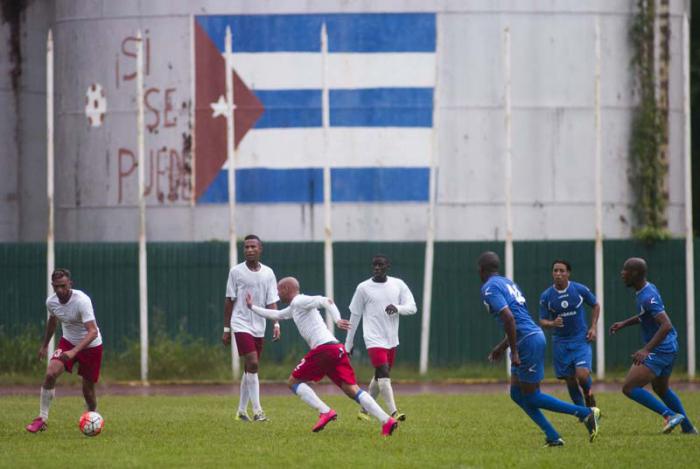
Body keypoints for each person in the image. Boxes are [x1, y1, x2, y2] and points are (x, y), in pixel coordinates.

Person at [245, 277, 399, 436]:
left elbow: (326, 301)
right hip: (335, 348)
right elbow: (276, 314)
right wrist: (252, 307)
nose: (277, 294)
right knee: (352, 389)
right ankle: (387, 421)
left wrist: (337, 319)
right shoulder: (295, 307)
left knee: (293, 382)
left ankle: (325, 411)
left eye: (279, 290)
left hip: (323, 349)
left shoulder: (300, 301)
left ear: (286, 289)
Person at [477, 251, 600, 447]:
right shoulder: (507, 283)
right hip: (529, 337)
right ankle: (552, 436)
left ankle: (586, 413)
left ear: (480, 269)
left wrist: (514, 351)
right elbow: (518, 318)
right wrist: (502, 347)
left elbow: (510, 318)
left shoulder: (489, 287)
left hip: (526, 341)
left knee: (533, 395)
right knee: (517, 394)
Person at [610, 257, 697, 434]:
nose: (622, 273)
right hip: (669, 346)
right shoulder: (647, 289)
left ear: (635, 273)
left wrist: (646, 350)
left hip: (661, 349)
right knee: (661, 388)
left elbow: (666, 325)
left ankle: (669, 415)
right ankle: (687, 427)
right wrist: (624, 323)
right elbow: (646, 315)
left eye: (625, 270)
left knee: (629, 388)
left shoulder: (647, 296)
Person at [26, 268, 103, 433]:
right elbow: (52, 322)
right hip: (67, 343)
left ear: (70, 284)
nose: (59, 290)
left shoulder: (82, 300)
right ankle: (42, 418)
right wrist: (45, 345)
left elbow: (93, 331)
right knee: (50, 373)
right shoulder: (51, 302)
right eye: (56, 286)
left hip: (91, 345)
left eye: (62, 285)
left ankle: (93, 418)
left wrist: (74, 352)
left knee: (88, 391)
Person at [345, 254, 416, 422]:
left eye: (380, 265)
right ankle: (394, 412)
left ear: (387, 267)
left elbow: (412, 307)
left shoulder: (398, 284)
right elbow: (354, 315)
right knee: (383, 372)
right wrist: (348, 343)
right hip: (373, 338)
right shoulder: (363, 288)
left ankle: (364, 409)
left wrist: (397, 308)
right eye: (374, 265)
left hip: (391, 339)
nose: (377, 268)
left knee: (379, 376)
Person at [222, 234, 280, 422]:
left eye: (253, 247)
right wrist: (226, 329)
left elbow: (271, 301)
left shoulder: (268, 273)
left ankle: (241, 410)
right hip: (240, 323)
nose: (249, 250)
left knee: (250, 368)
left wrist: (276, 323)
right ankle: (258, 412)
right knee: (253, 363)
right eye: (246, 247)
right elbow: (229, 300)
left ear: (260, 249)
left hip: (259, 324)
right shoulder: (236, 272)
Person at [539, 260, 600, 408]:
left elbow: (596, 305)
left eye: (562, 271)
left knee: (583, 375)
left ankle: (588, 395)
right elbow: (542, 320)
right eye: (555, 271)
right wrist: (552, 323)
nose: (558, 274)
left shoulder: (579, 290)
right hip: (560, 341)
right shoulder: (546, 296)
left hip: (580, 339)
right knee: (569, 379)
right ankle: (582, 411)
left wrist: (593, 327)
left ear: (568, 273)